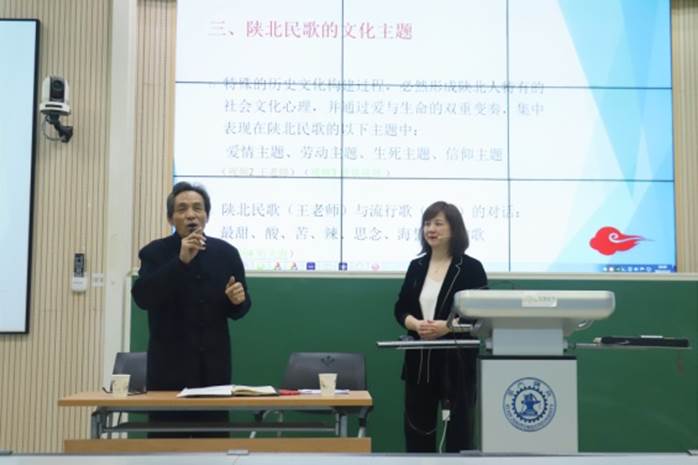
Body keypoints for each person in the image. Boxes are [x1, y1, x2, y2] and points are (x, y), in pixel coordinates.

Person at [132, 181, 251, 437]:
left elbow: (240, 309)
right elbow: (143, 297)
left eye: (198, 208)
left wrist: (237, 300)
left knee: (213, 447)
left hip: (214, 372)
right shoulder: (155, 253)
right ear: (170, 218)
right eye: (182, 209)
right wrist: (181, 261)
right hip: (168, 372)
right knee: (165, 446)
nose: (191, 215)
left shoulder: (226, 254)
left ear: (206, 215)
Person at [394, 201, 488, 452]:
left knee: (459, 434)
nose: (431, 229)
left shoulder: (470, 268)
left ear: (454, 229)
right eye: (427, 224)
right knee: (417, 432)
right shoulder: (417, 266)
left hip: (456, 362)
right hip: (419, 362)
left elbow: (479, 313)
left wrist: (447, 327)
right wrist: (415, 324)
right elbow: (401, 308)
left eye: (438, 223)